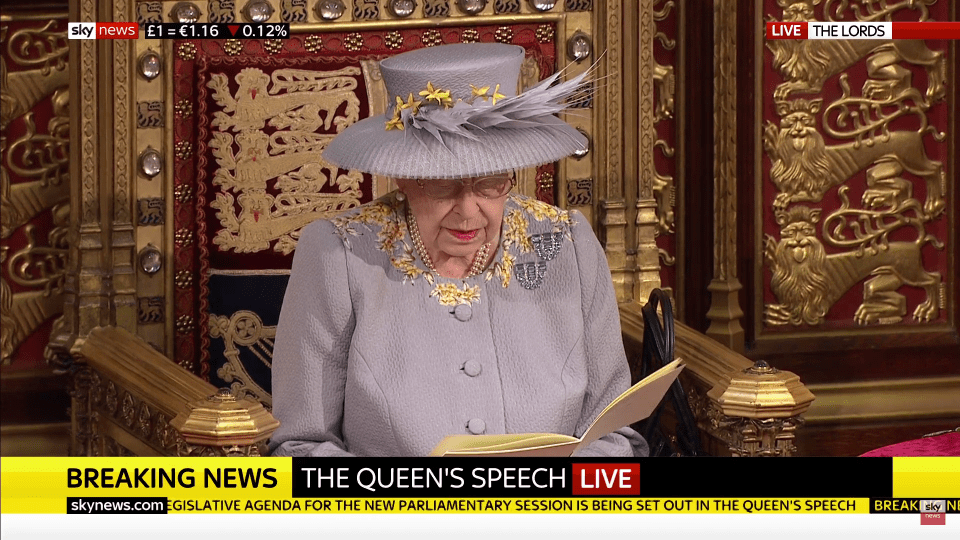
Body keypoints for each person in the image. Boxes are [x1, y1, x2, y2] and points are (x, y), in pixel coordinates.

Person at [269, 43, 647, 457]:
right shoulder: (338, 256)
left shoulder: (569, 245)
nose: (468, 211)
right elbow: (301, 447)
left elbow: (615, 435)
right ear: (405, 178)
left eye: (490, 183)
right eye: (443, 184)